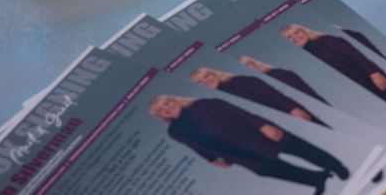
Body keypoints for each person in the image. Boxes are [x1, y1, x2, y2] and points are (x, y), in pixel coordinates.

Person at [147, 93, 347, 192]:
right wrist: (210, 160)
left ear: (175, 100)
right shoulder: (173, 131)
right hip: (236, 153)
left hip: (256, 134)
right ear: (159, 116)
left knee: (301, 150)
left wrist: (263, 126)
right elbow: (194, 145)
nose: (167, 109)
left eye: (167, 103)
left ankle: (336, 166)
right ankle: (317, 179)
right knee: (269, 170)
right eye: (161, 110)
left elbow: (240, 114)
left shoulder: (205, 103)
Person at [281, 22, 386, 133]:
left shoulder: (326, 41)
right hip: (352, 96)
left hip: (368, 81)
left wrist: (373, 73)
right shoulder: (301, 61)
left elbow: (355, 55)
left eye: (296, 32)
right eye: (289, 38)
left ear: (305, 30)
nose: (294, 38)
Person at [189, 66, 326, 126]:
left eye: (207, 76)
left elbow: (271, 93)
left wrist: (292, 109)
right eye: (200, 82)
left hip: (286, 114)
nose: (206, 81)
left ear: (215, 73)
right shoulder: (210, 105)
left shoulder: (239, 81)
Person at [237, 54, 326, 105]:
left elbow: (306, 93)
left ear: (253, 63)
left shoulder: (278, 74)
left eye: (248, 65)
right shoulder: (251, 89)